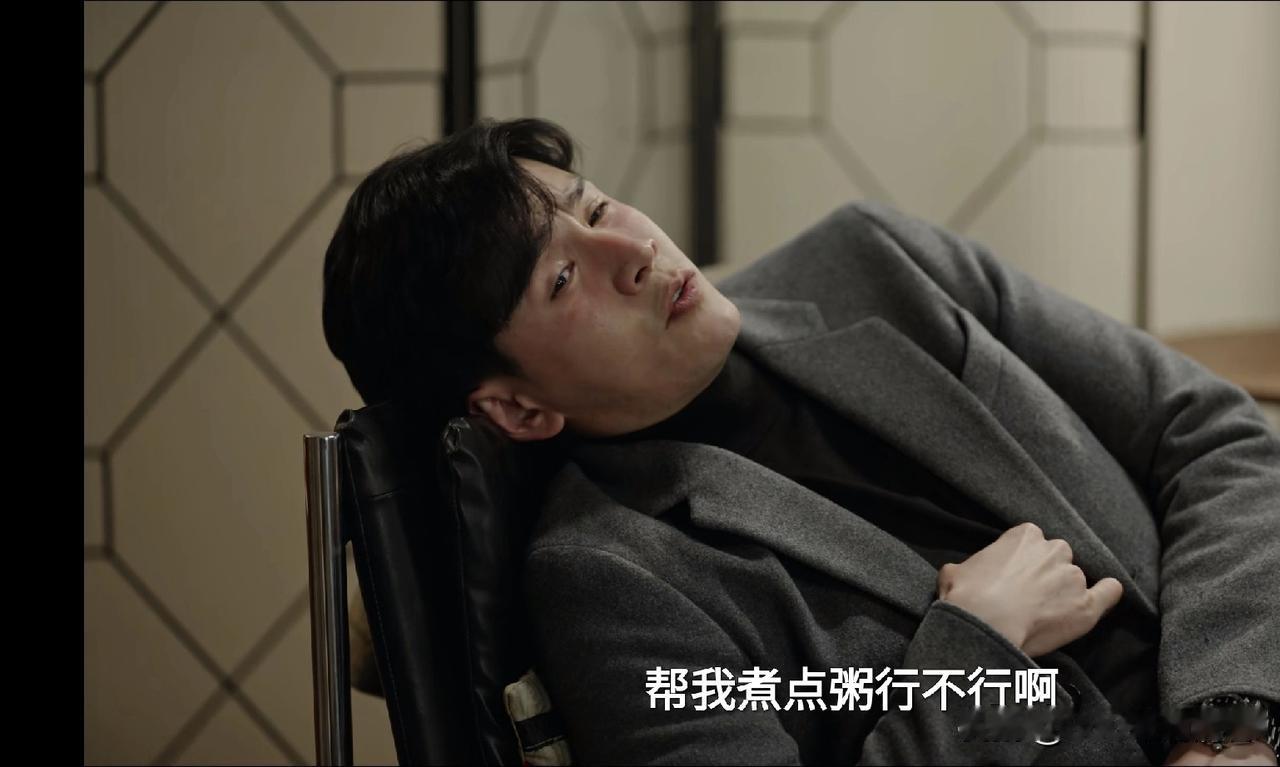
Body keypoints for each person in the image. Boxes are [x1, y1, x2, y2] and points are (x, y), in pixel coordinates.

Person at [322, 117, 1280, 765]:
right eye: (563, 280)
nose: (634, 251)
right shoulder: (606, 580)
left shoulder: (876, 261)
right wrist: (977, 644)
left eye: (596, 208)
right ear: (520, 410)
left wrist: (1231, 721)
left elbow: (1211, 431)